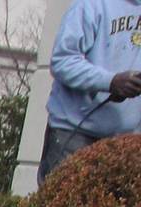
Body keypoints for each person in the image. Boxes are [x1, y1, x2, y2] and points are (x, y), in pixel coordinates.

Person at [39, 1, 141, 185]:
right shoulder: (90, 5)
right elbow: (63, 61)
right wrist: (111, 81)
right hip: (74, 136)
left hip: (127, 143)